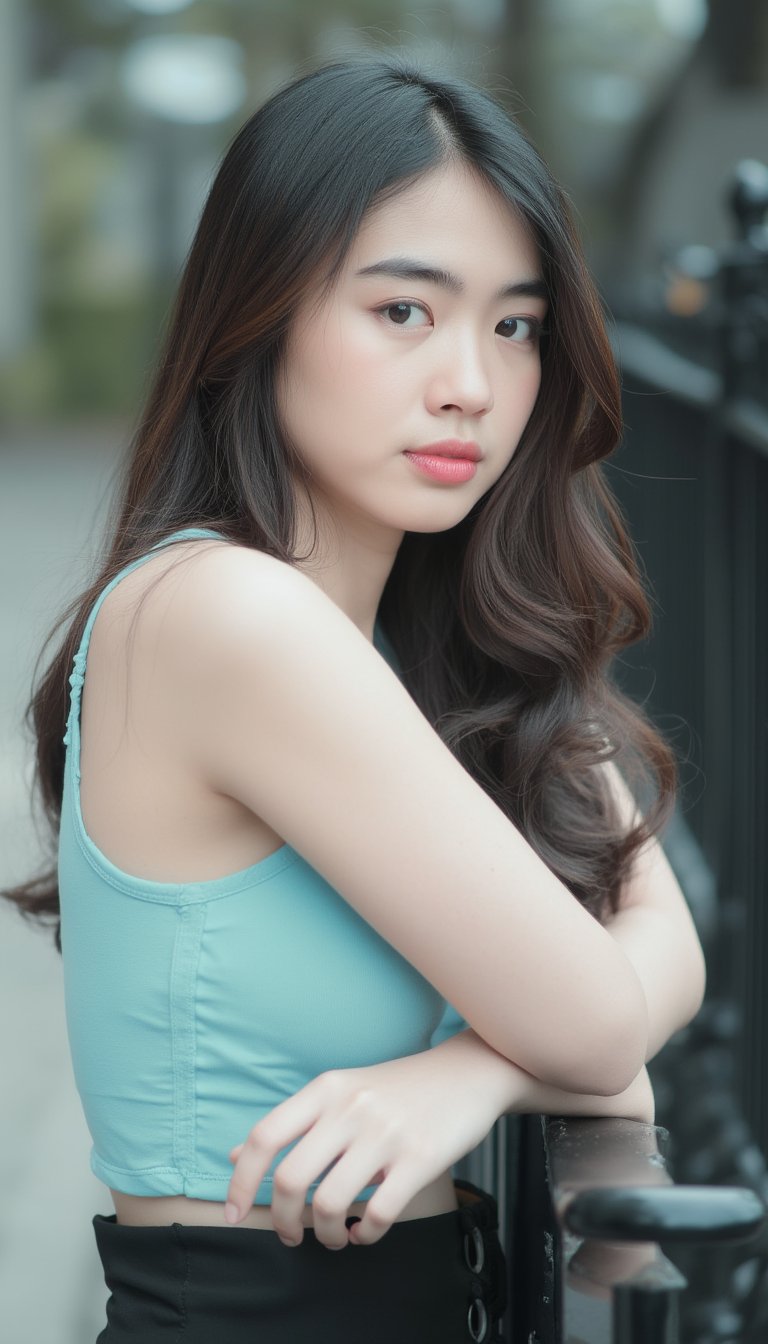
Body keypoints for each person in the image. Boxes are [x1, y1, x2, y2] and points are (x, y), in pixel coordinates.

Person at [3, 56, 706, 1344]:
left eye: (516, 324)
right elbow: (607, 1012)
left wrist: (461, 1077)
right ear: (258, 315)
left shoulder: (405, 642)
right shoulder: (227, 613)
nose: (472, 386)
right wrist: (520, 1063)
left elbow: (663, 941)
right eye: (403, 311)